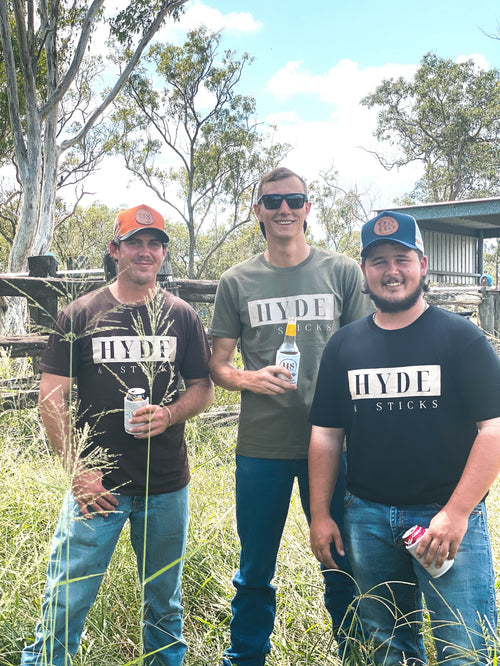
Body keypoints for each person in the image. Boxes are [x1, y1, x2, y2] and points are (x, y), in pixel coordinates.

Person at [22, 204, 214, 666]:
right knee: (66, 599)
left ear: (164, 253)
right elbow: (52, 397)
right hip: (98, 487)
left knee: (164, 603)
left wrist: (169, 415)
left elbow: (203, 389)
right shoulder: (81, 314)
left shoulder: (181, 315)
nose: (145, 252)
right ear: (115, 249)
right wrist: (78, 472)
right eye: (135, 242)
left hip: (167, 485)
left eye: (155, 243)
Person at [309, 210, 500, 665]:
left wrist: (455, 513)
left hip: (450, 521)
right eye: (378, 261)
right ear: (364, 272)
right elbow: (325, 436)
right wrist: (320, 513)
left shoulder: (461, 337)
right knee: (387, 648)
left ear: (423, 264)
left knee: (465, 649)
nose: (391, 271)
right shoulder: (345, 345)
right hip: (367, 520)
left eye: (402, 258)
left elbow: (493, 429)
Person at [208, 167, 373, 666]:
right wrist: (249, 378)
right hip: (262, 448)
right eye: (273, 201)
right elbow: (217, 365)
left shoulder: (342, 272)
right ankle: (246, 657)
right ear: (256, 210)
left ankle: (357, 653)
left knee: (342, 561)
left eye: (294, 200)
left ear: (307, 208)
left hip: (336, 446)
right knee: (255, 567)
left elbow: (369, 350)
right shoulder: (236, 281)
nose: (284, 209)